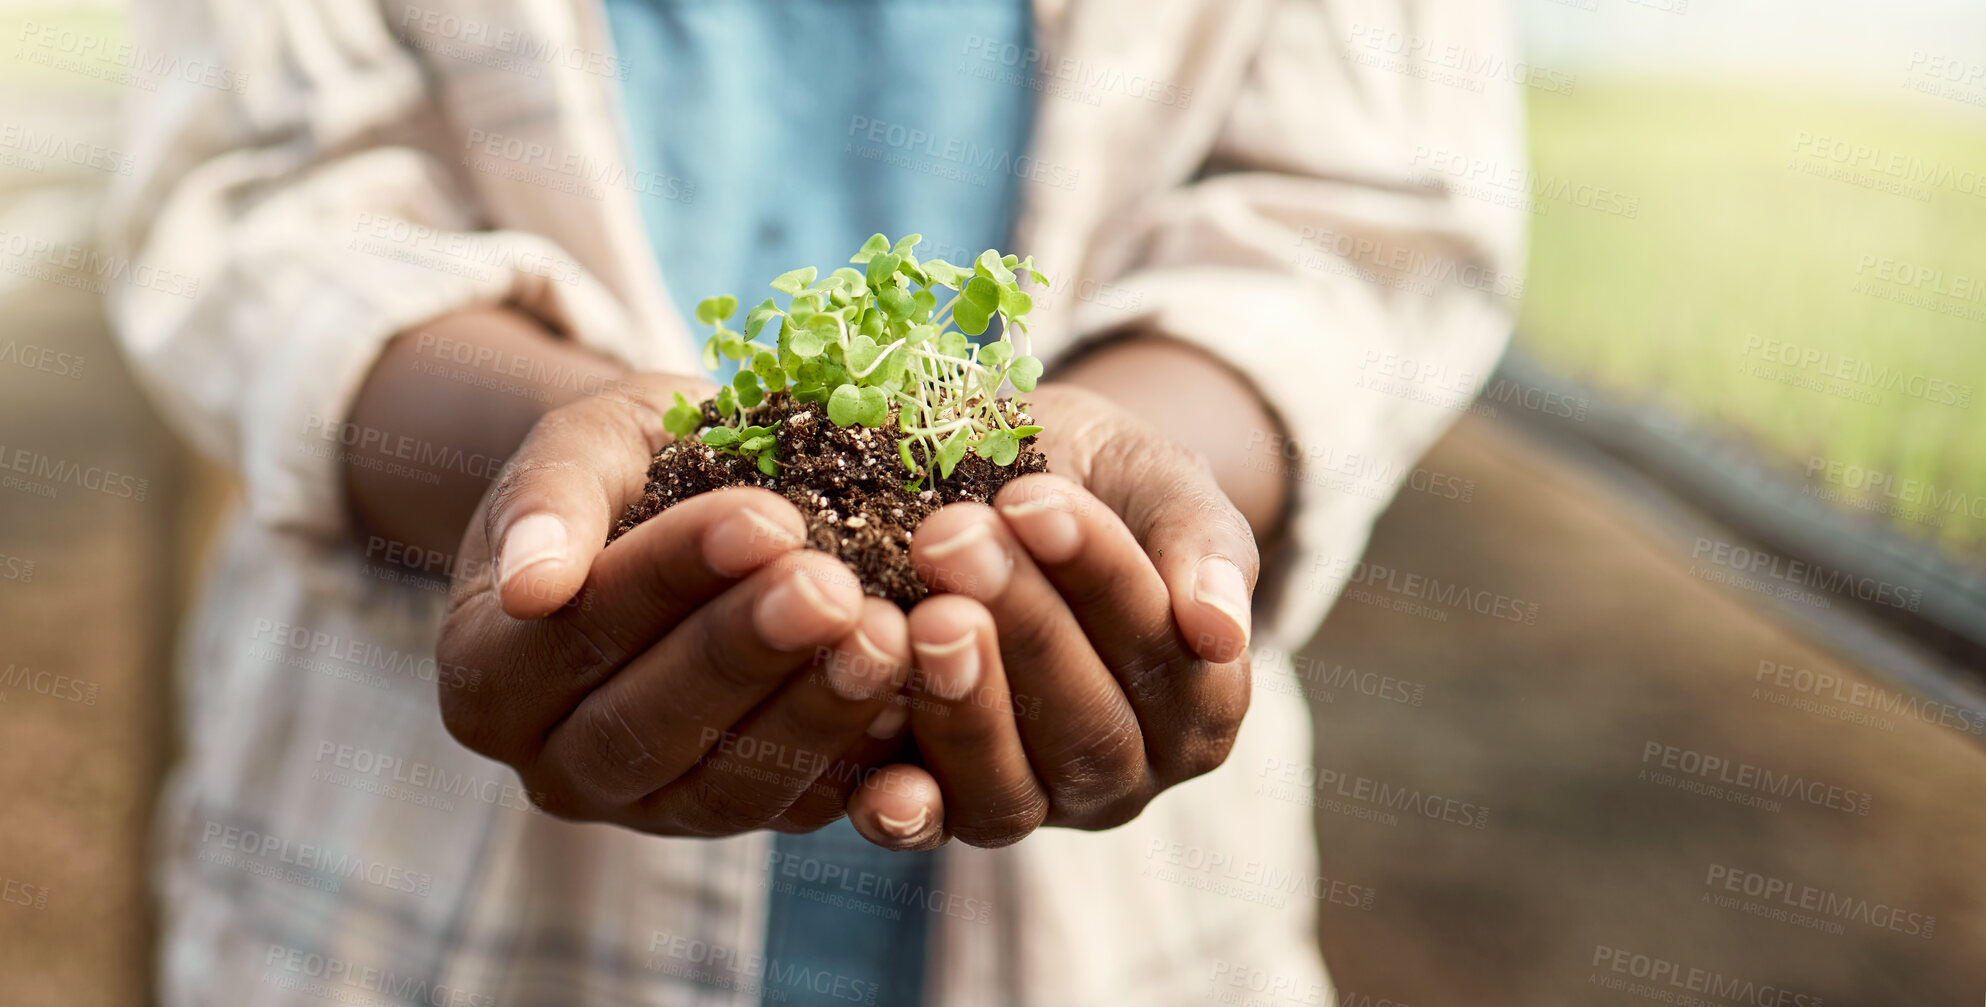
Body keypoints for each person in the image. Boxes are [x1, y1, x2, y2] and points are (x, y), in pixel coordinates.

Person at [103, 0, 1523, 1003]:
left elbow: (1359, 223)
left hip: (1119, 946)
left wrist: (1147, 500)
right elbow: (264, 199)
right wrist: (543, 462)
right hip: (407, 894)